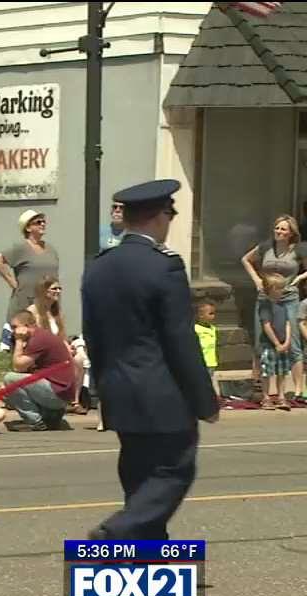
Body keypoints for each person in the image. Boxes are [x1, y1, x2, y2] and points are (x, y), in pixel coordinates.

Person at [83, 179, 219, 540]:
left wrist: (103, 388)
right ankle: (115, 533)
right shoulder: (165, 267)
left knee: (140, 477)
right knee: (174, 470)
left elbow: (94, 337)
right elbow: (180, 341)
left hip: (120, 389)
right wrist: (205, 400)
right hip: (163, 393)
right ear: (159, 217)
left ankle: (146, 558)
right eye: (169, 214)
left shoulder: (98, 267)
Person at [240, 214, 307, 404]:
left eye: (284, 229)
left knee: (292, 342)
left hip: (289, 298)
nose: (279, 232)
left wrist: (300, 278)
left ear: (291, 232)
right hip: (265, 297)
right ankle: (263, 392)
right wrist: (256, 279)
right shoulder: (266, 246)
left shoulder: (300, 249)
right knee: (262, 343)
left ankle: (297, 391)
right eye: (277, 228)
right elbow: (245, 259)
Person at [26, 276, 89, 413]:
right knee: (69, 360)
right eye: (54, 288)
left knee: (80, 359)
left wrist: (67, 345)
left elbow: (62, 336)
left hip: (58, 350)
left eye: (60, 288)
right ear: (43, 291)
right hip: (43, 353)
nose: (58, 291)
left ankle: (74, 400)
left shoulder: (57, 312)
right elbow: (35, 339)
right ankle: (64, 397)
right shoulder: (32, 312)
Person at [0, 209, 59, 325]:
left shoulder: (50, 249)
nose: (43, 224)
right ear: (28, 228)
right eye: (38, 222)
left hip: (48, 303)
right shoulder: (21, 248)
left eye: (44, 222)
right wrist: (13, 283)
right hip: (25, 302)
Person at [258, 274, 294, 410]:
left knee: (282, 372)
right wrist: (276, 343)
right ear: (272, 289)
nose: (283, 291)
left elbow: (287, 324)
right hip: (269, 345)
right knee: (267, 372)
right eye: (280, 288)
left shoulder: (282, 306)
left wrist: (287, 342)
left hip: (283, 345)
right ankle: (266, 397)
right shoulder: (265, 305)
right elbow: (266, 325)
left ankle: (281, 396)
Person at [195, 300, 221, 400]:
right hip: (200, 361)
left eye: (214, 313)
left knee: (211, 380)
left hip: (211, 361)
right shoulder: (196, 329)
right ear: (201, 315)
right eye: (210, 313)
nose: (213, 316)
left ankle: (214, 398)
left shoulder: (213, 328)